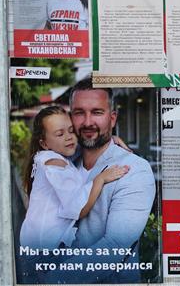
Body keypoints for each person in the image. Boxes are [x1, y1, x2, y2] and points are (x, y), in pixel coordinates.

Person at [62, 77, 156, 283]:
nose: (87, 122)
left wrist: (53, 278)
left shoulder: (134, 170)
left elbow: (115, 246)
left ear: (112, 119)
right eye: (79, 113)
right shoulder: (63, 165)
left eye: (97, 112)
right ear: (71, 118)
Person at [19, 106, 129, 251]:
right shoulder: (56, 165)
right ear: (44, 143)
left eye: (71, 130)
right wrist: (100, 179)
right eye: (60, 134)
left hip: (35, 242)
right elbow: (79, 209)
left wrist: (108, 141)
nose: (69, 137)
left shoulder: (44, 157)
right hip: (46, 248)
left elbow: (76, 148)